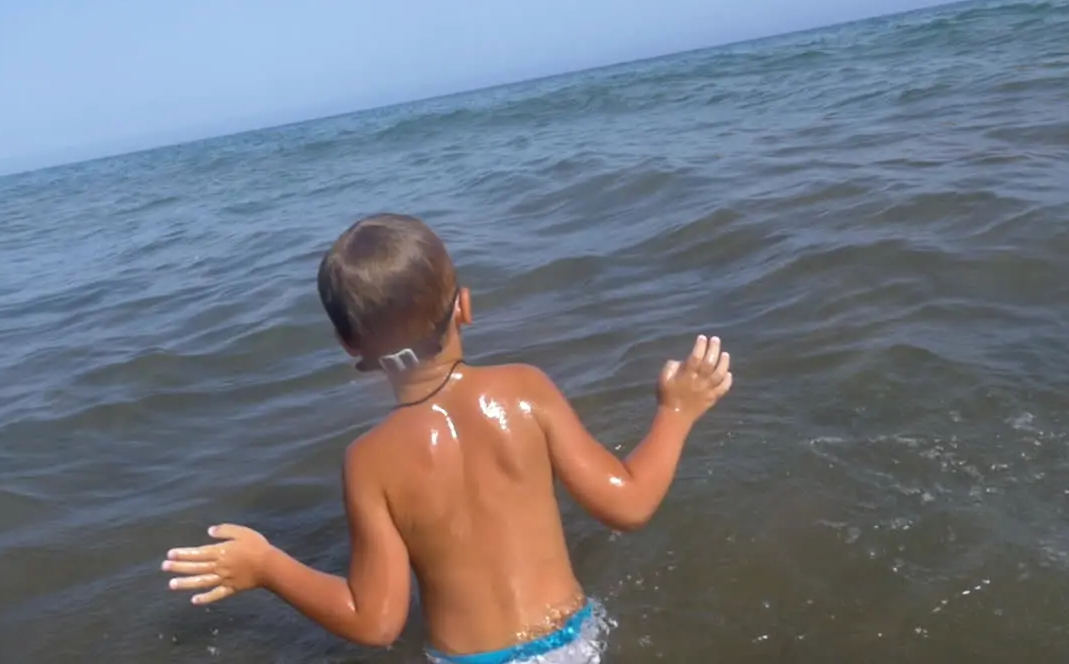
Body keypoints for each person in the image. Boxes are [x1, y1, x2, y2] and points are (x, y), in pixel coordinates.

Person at [161, 213, 733, 663]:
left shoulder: (369, 463)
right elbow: (629, 503)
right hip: (576, 644)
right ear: (465, 305)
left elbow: (374, 620)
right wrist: (676, 412)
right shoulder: (524, 391)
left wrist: (268, 567)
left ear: (348, 346)